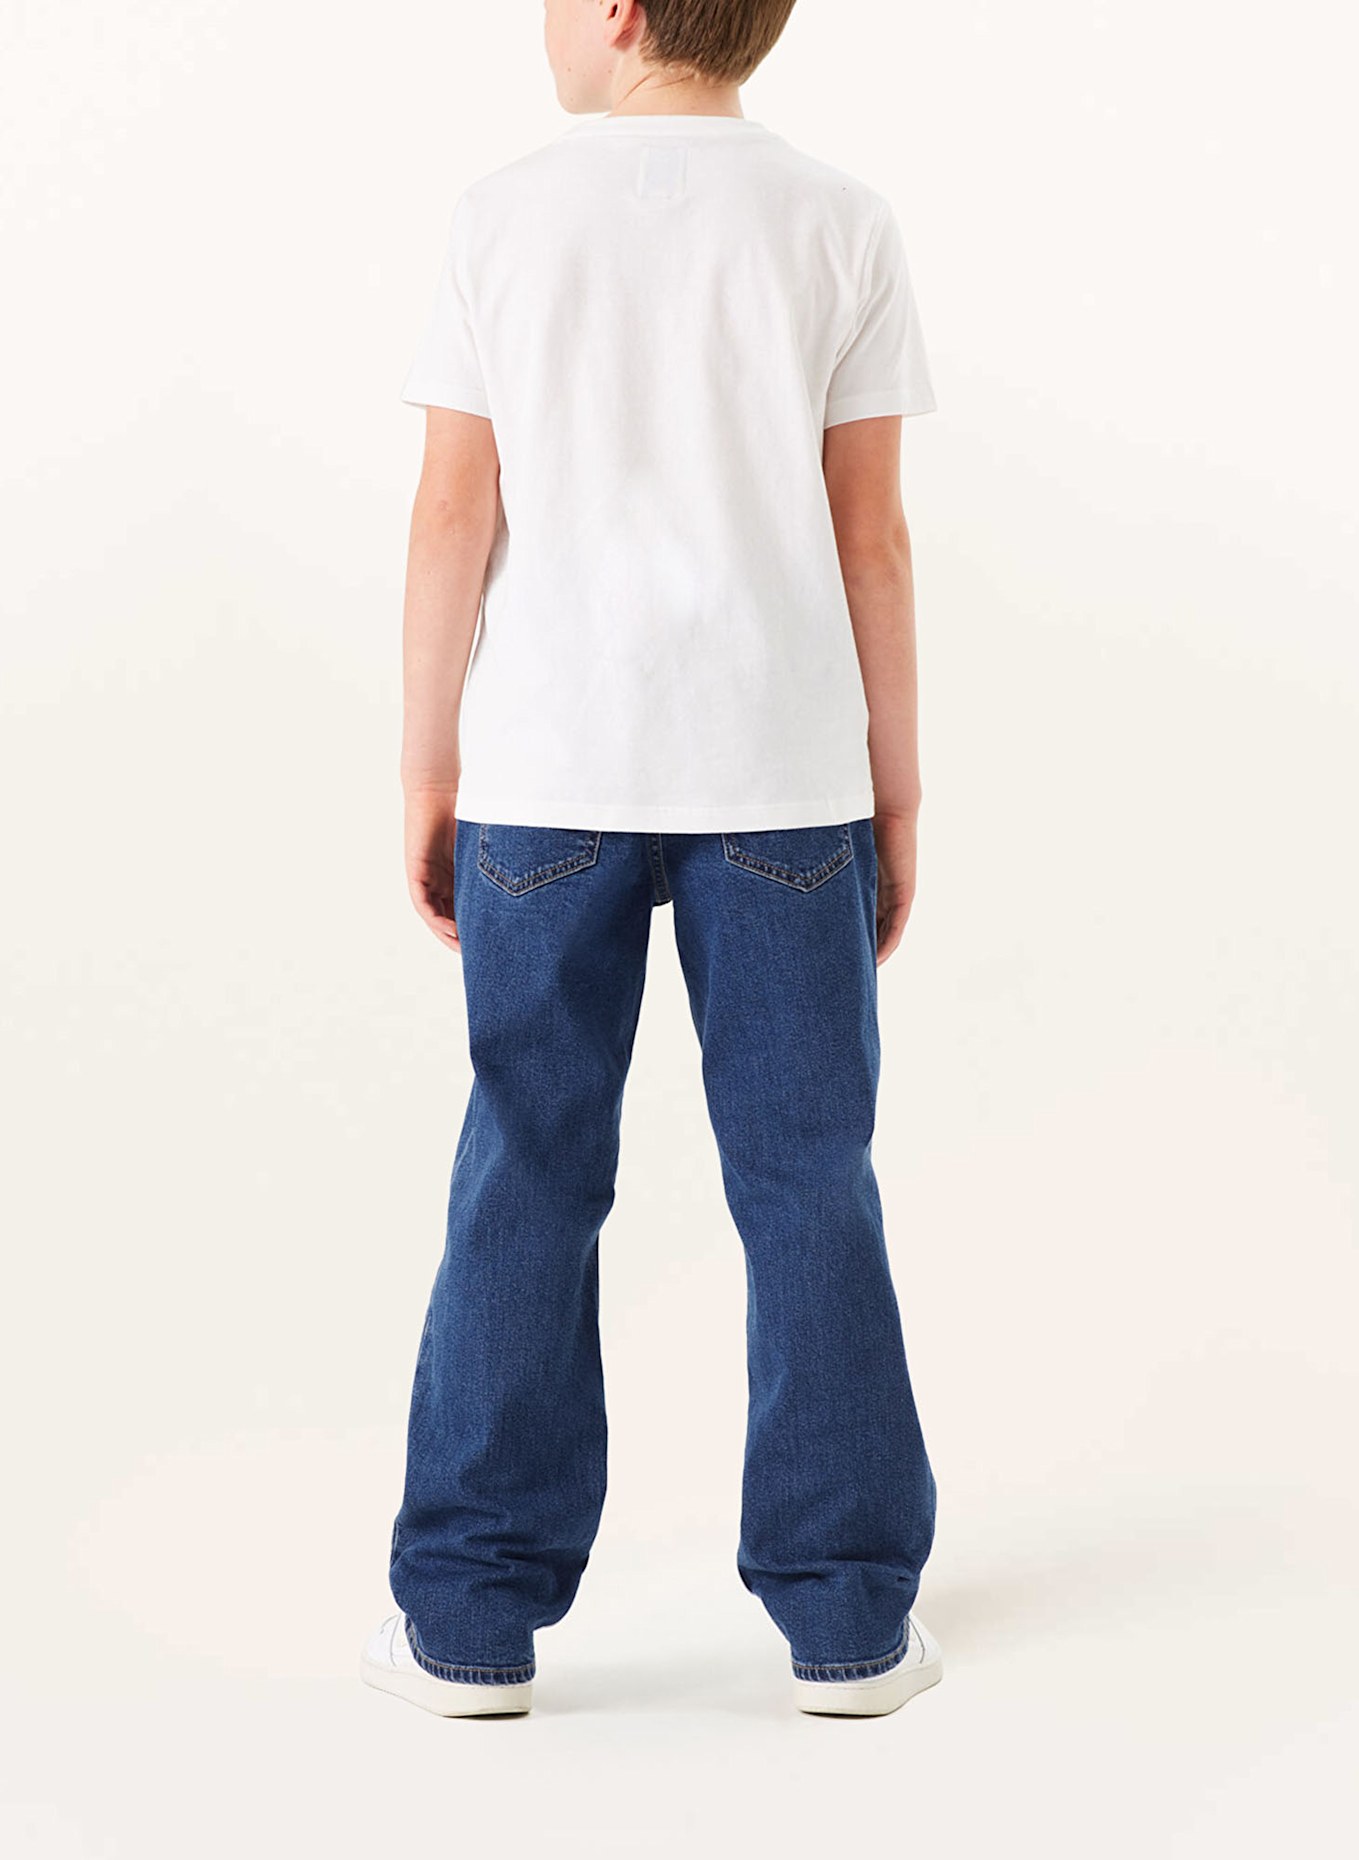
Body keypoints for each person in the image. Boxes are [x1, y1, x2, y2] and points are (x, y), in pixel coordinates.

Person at [361, 0, 942, 1721]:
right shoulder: (839, 220)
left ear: (618, 9)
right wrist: (896, 794)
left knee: (527, 1172)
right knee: (809, 1178)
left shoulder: (502, 216)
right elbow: (873, 540)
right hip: (782, 780)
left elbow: (451, 514)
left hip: (549, 776)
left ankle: (468, 1622)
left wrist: (429, 766)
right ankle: (849, 1623)